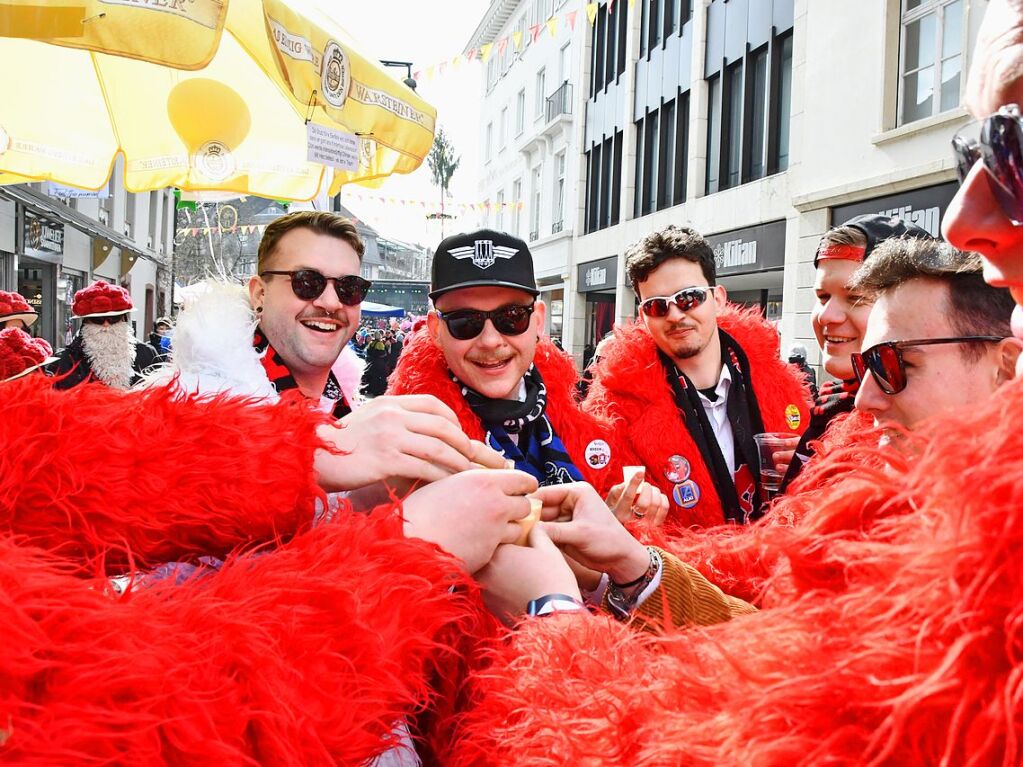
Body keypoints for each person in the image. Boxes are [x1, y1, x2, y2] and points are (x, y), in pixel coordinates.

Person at [440, 4, 1023, 761]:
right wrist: (631, 554)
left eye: (1009, 147)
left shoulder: (791, 393)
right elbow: (786, 649)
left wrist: (555, 607)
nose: (964, 216)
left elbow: (795, 699)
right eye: (464, 322)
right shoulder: (574, 413)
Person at [0, 372, 538, 764]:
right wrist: (407, 550)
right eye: (306, 282)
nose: (328, 302)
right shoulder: (203, 379)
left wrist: (301, 454)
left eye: (350, 286)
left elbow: (29, 461)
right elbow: (145, 720)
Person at [586, 225, 810, 529]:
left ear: (717, 299)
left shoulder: (780, 387)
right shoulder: (615, 415)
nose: (676, 314)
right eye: (657, 306)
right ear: (643, 317)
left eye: (689, 297)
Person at [389, 229, 630, 495]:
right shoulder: (409, 448)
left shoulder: (579, 426)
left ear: (538, 322)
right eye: (464, 321)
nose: (490, 341)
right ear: (436, 330)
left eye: (511, 316)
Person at [778, 214, 933, 492]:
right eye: (822, 297)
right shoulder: (831, 403)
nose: (826, 316)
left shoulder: (920, 420)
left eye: (856, 298)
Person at [47, 280, 159, 390]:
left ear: (124, 319)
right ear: (86, 322)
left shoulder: (147, 353)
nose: (106, 325)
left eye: (113, 319)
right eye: (98, 319)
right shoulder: (69, 358)